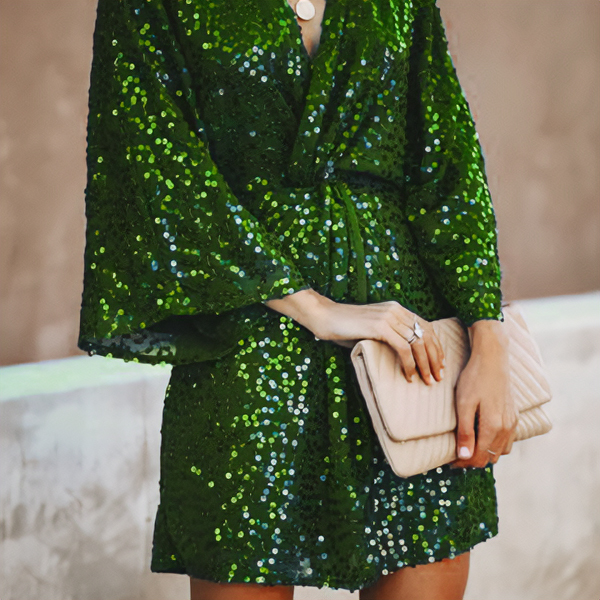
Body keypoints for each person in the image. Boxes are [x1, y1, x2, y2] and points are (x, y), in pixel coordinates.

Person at [77, 0, 518, 598]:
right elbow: (155, 168)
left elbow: (448, 166)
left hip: (409, 350)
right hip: (246, 346)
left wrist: (488, 340)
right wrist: (316, 308)